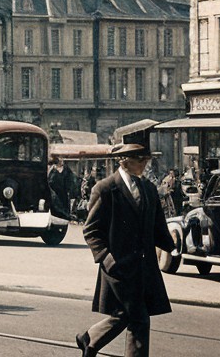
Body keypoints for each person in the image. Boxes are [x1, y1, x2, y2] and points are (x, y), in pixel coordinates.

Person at [78, 142, 175, 357]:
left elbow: (158, 225)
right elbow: (91, 231)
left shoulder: (148, 189)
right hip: (118, 268)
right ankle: (91, 339)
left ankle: (90, 338)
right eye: (140, 160)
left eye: (146, 160)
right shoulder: (105, 189)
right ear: (124, 161)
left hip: (143, 267)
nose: (145, 164)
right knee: (139, 318)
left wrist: (173, 247)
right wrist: (106, 258)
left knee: (125, 313)